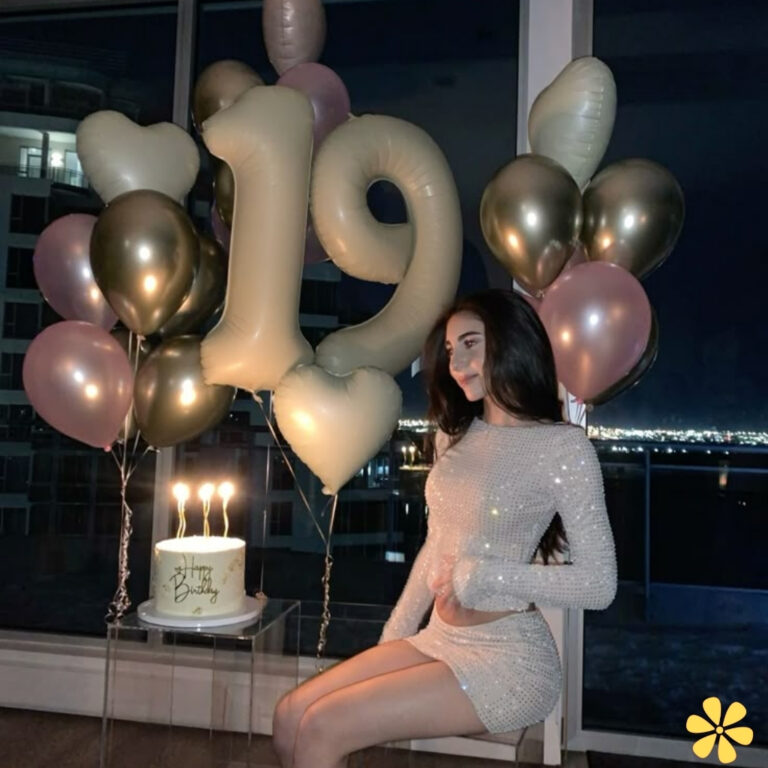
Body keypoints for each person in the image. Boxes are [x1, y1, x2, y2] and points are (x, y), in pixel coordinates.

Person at [272, 288, 618, 768]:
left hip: (508, 660)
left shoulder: (562, 449)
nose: (457, 363)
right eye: (453, 350)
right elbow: (437, 544)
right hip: (438, 636)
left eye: (472, 343)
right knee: (291, 714)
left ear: (511, 342)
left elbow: (600, 584)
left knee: (323, 727)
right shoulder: (453, 435)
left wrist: (490, 576)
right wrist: (395, 635)